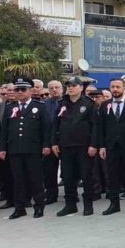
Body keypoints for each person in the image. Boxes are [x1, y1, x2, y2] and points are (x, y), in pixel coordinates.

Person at [0, 76, 51, 219]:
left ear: (30, 91)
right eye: (17, 89)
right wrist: (2, 148)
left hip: (33, 148)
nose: (20, 92)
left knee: (36, 179)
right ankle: (19, 208)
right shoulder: (10, 108)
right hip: (14, 149)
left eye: (23, 89)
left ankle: (39, 206)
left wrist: (46, 145)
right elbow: (4, 130)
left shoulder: (39, 107)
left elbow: (46, 128)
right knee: (18, 180)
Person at [52, 77, 98, 217]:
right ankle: (70, 205)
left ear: (81, 87)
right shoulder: (62, 103)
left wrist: (93, 145)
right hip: (65, 145)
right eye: (69, 86)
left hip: (83, 146)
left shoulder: (89, 103)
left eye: (74, 85)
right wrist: (54, 142)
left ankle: (88, 205)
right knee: (68, 176)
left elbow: (95, 126)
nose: (71, 88)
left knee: (86, 176)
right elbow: (56, 124)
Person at [97, 78, 125, 215]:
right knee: (112, 176)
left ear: (124, 88)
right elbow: (101, 127)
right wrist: (102, 146)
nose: (115, 89)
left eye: (117, 87)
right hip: (111, 146)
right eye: (112, 87)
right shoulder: (105, 105)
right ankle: (114, 204)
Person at [43, 80, 63, 205]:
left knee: (69, 170)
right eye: (51, 88)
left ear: (62, 89)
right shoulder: (44, 104)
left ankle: (71, 194)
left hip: (66, 141)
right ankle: (51, 194)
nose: (54, 90)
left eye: (57, 87)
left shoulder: (68, 102)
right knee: (49, 170)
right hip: (50, 140)